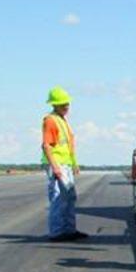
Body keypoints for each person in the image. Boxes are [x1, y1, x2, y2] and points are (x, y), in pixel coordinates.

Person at [41, 86, 86, 241]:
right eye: (62, 104)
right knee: (58, 198)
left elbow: (68, 145)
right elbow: (46, 146)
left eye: (67, 104)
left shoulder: (62, 120)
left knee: (69, 197)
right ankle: (57, 232)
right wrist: (55, 167)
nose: (66, 107)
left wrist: (74, 163)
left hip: (65, 163)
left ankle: (69, 230)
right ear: (54, 105)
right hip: (57, 164)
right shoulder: (51, 120)